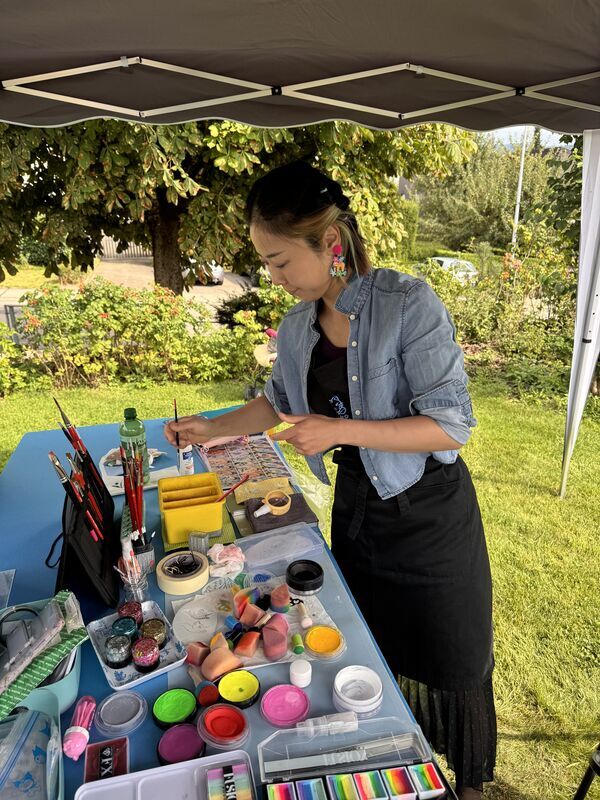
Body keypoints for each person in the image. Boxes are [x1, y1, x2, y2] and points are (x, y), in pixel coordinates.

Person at [164, 161, 496, 798]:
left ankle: (468, 785)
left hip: (430, 516)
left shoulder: (407, 304)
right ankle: (384, 754)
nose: (274, 276)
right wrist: (211, 427)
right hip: (360, 512)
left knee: (450, 659)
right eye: (266, 263)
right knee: (364, 644)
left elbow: (450, 426)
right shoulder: (298, 327)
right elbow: (277, 403)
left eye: (280, 261)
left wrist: (339, 429)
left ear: (330, 242)